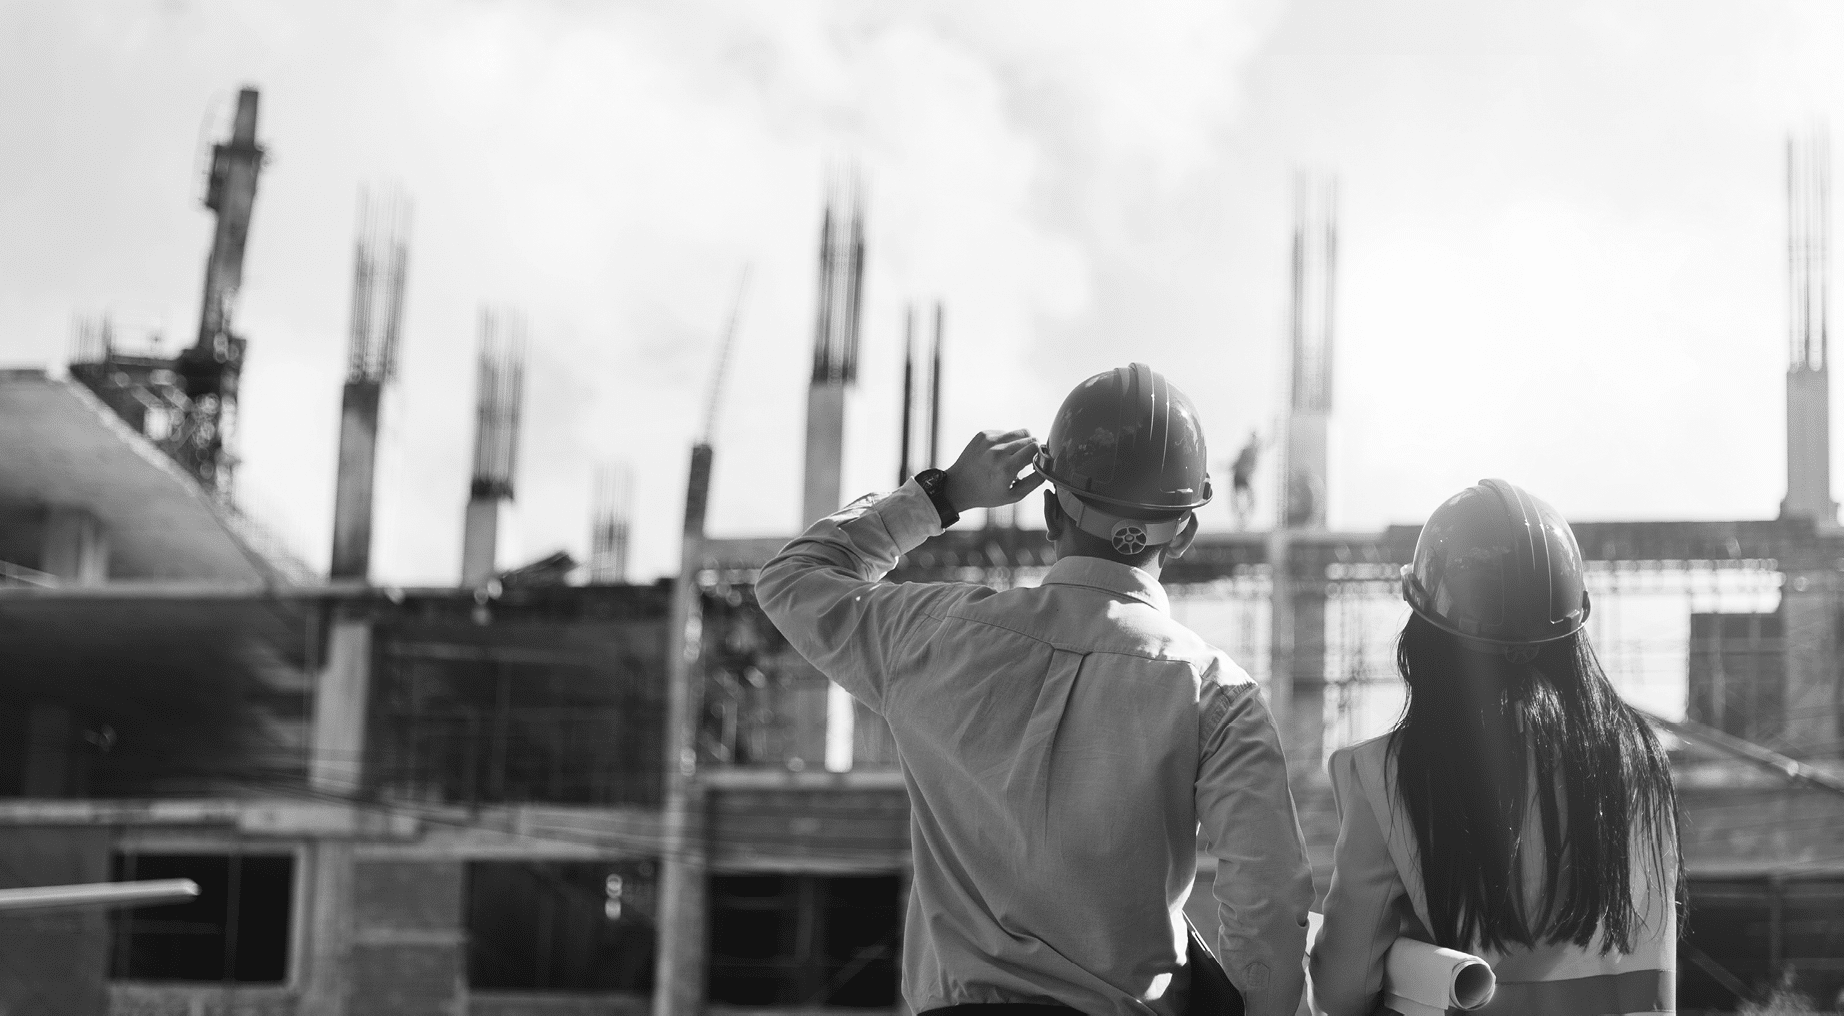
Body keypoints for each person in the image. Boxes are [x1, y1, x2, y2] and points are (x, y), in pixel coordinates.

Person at [758, 363, 1313, 1017]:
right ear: (1185, 531)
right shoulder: (1217, 696)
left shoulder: (933, 633)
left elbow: (793, 580)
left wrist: (943, 493)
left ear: (1050, 508)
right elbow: (1268, 909)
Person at [1309, 479, 1681, 1016]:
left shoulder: (1393, 778)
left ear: (1426, 637)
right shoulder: (1640, 767)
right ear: (1574, 631)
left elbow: (1341, 994)